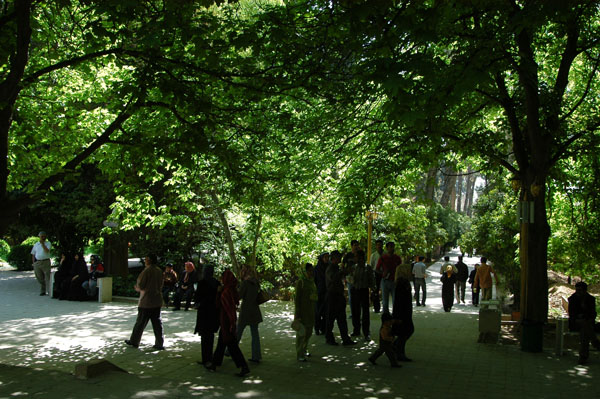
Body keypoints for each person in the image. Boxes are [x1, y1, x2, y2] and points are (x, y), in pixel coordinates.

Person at [206, 269, 250, 377]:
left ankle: (243, 366)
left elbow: (225, 307)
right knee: (222, 343)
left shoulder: (226, 292)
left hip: (227, 322)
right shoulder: (231, 289)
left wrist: (231, 324)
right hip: (228, 321)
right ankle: (215, 364)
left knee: (231, 345)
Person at [125, 254, 165, 350]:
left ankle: (134, 341)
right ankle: (160, 343)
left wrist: (137, 288)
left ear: (149, 260)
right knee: (157, 324)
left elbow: (141, 285)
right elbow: (161, 284)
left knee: (140, 323)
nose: (145, 260)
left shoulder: (146, 271)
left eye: (146, 259)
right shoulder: (159, 271)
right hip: (157, 300)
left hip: (146, 301)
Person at [324, 250, 356, 346]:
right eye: (338, 257)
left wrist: (345, 271)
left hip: (338, 296)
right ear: (333, 258)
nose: (340, 259)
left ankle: (345, 339)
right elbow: (333, 278)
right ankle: (329, 338)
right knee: (330, 319)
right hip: (332, 296)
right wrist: (342, 272)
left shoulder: (336, 268)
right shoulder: (330, 268)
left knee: (342, 319)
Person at [568, 281, 600, 365]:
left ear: (585, 291)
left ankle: (583, 357)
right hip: (576, 323)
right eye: (577, 290)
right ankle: (595, 342)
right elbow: (572, 314)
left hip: (587, 322)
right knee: (585, 326)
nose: (577, 292)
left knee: (584, 332)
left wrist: (585, 311)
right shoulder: (572, 299)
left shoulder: (590, 299)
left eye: (580, 290)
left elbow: (593, 314)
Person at [194, 264, 220, 365]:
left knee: (204, 336)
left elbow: (197, 298)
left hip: (204, 313)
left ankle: (206, 358)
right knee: (210, 335)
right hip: (213, 313)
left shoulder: (202, 283)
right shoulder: (216, 283)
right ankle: (209, 357)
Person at [236, 265, 263, 363]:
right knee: (255, 334)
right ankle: (256, 356)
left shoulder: (245, 283)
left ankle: (230, 351)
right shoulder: (256, 282)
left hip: (246, 311)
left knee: (238, 331)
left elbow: (239, 296)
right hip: (255, 310)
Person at [294, 263, 318, 361]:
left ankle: (304, 349)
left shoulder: (312, 282)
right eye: (309, 271)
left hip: (311, 310)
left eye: (312, 271)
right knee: (301, 333)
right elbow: (297, 298)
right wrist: (297, 312)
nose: (311, 273)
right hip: (303, 311)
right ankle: (299, 353)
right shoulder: (301, 282)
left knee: (309, 331)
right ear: (304, 271)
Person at [350, 250, 374, 340]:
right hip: (355, 290)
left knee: (365, 313)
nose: (355, 258)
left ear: (361, 258)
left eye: (356, 256)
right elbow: (349, 278)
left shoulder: (368, 268)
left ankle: (366, 332)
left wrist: (372, 291)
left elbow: (371, 280)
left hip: (364, 291)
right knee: (355, 311)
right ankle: (356, 330)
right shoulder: (353, 267)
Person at [393, 261, 414, 362]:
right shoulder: (402, 284)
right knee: (406, 331)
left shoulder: (402, 282)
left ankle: (396, 348)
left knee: (406, 331)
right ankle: (399, 352)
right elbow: (401, 301)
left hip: (403, 313)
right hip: (403, 314)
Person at [376, 242, 402, 314]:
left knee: (395, 300)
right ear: (387, 248)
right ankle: (386, 315)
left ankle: (395, 314)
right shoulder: (382, 258)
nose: (392, 249)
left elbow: (400, 269)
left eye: (393, 247)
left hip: (395, 281)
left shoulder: (397, 258)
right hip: (385, 281)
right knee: (385, 301)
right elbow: (377, 269)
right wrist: (383, 273)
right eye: (390, 247)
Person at [30, 231, 52, 296]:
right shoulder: (36, 244)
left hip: (46, 262)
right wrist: (33, 263)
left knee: (48, 277)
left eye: (44, 236)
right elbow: (33, 254)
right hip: (37, 262)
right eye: (41, 236)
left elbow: (47, 251)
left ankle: (49, 291)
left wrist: (43, 244)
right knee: (39, 277)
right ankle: (43, 290)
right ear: (39, 237)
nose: (43, 237)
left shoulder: (48, 243)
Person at [342, 240, 361, 314]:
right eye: (355, 245)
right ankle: (353, 313)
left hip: (359, 278)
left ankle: (358, 312)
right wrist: (344, 276)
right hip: (350, 278)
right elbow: (343, 265)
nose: (356, 247)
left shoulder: (360, 255)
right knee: (351, 296)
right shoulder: (348, 255)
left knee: (358, 296)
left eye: (357, 245)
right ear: (351, 246)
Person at [313, 252, 329, 335]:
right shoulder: (317, 268)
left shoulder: (329, 267)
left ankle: (323, 328)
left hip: (327, 292)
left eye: (328, 257)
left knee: (326, 312)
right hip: (319, 292)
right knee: (318, 312)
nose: (327, 259)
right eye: (325, 257)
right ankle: (317, 328)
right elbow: (314, 281)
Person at [370, 239, 384, 313]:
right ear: (376, 246)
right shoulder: (373, 255)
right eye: (378, 245)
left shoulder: (385, 254)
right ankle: (376, 308)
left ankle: (385, 307)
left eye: (380, 244)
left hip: (385, 274)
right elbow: (371, 266)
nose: (379, 246)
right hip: (376, 274)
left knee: (385, 291)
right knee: (376, 291)